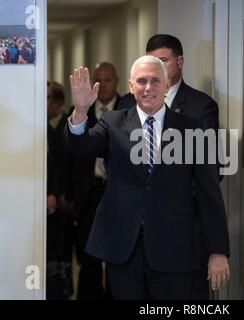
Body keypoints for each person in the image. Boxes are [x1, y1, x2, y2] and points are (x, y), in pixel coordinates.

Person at [64, 55, 230, 300]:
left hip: (175, 246)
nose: (148, 87)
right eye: (141, 81)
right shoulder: (112, 122)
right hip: (124, 245)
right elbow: (80, 146)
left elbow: (209, 193)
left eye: (155, 81)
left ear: (166, 85)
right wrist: (80, 111)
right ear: (131, 87)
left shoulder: (193, 129)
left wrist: (217, 250)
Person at [119, 34, 222, 299]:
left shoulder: (200, 107)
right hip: (132, 236)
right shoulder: (126, 104)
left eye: (164, 61)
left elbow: (209, 178)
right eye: (153, 62)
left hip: (180, 234)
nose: (159, 69)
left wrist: (217, 248)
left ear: (180, 62)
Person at [69, 62, 121, 300]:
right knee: (88, 257)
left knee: (118, 260)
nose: (102, 85)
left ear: (118, 81)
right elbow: (69, 145)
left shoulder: (130, 107)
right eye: (98, 80)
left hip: (119, 194)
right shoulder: (81, 110)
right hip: (89, 194)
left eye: (108, 80)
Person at [46, 81, 74, 299]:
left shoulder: (69, 124)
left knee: (61, 248)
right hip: (47, 198)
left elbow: (67, 164)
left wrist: (62, 192)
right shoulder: (41, 125)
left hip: (61, 198)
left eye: (46, 98)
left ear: (57, 103)